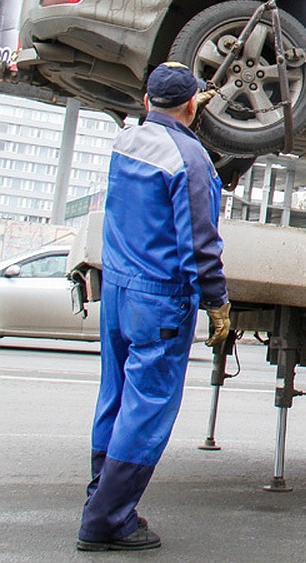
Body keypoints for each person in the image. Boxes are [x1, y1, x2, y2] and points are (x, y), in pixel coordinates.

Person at [77, 62, 231, 552]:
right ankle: (107, 521)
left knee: (116, 398)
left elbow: (157, 124)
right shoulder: (192, 160)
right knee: (146, 409)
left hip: (119, 290)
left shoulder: (126, 142)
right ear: (192, 105)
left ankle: (101, 496)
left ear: (146, 102)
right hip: (159, 299)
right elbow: (200, 243)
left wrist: (180, 111)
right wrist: (218, 303)